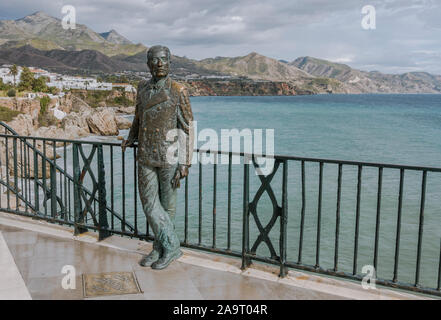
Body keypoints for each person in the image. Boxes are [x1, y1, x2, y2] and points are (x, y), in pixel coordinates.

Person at [121, 45, 194, 270]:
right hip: (145, 153)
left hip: (169, 156)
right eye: (155, 60)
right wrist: (130, 137)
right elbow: (138, 117)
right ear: (148, 64)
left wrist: (185, 162)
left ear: (170, 62)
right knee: (150, 204)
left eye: (163, 59)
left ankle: (160, 248)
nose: (159, 63)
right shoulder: (142, 87)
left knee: (167, 206)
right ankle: (172, 246)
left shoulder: (178, 90)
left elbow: (188, 128)